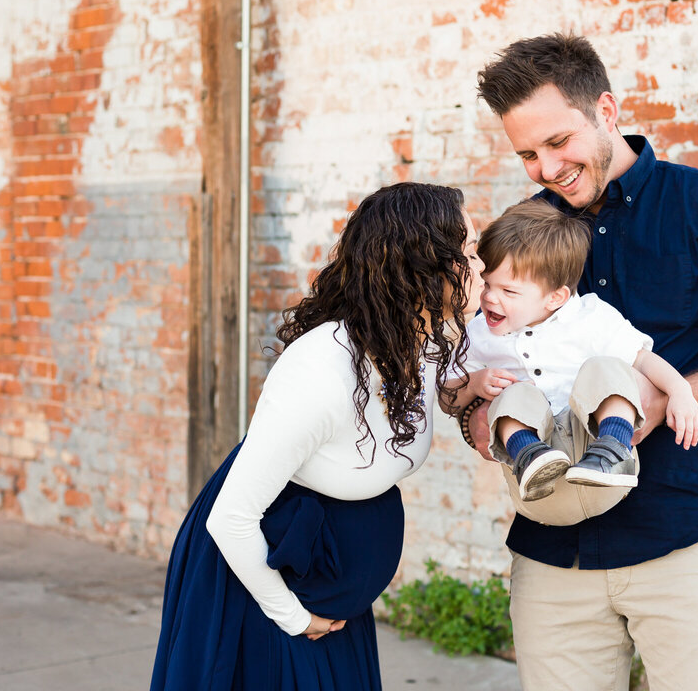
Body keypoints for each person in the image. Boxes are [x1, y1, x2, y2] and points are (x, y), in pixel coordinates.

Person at [458, 33, 698, 690]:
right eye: (527, 154)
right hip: (554, 553)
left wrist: (662, 401)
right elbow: (492, 348)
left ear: (608, 111)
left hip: (687, 538)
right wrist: (481, 414)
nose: (546, 167)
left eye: (558, 142)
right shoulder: (525, 232)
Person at [149, 182, 485, 691]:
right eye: (469, 252)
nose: (482, 266)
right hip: (262, 585)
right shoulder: (320, 373)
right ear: (424, 270)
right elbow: (231, 518)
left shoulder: (417, 341)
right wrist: (292, 615)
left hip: (328, 595)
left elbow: (445, 390)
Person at [443, 198, 698, 523]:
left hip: (595, 456)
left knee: (605, 369)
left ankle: (613, 448)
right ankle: (529, 453)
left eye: (508, 291)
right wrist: (474, 385)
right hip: (537, 484)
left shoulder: (590, 319)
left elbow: (643, 359)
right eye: (487, 285)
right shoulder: (480, 333)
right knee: (516, 394)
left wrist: (680, 390)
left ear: (556, 297)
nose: (489, 298)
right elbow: (446, 396)